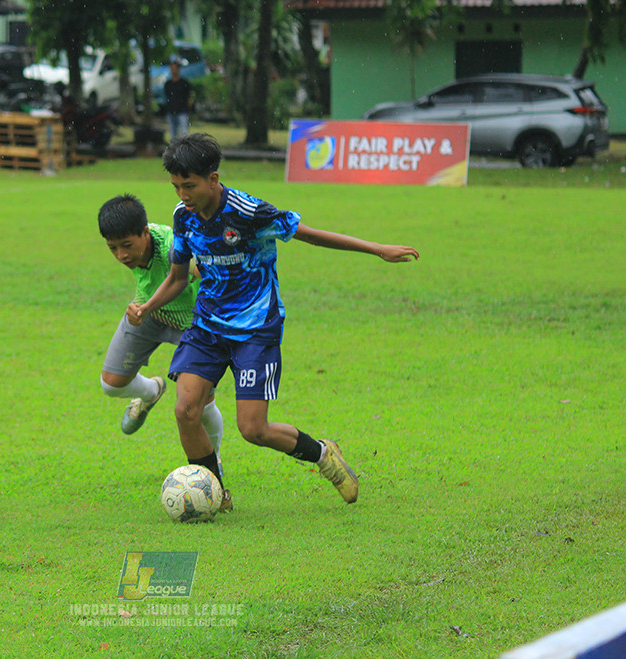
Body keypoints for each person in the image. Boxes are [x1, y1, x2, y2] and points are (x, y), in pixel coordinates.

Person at [128, 133, 420, 506]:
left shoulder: (248, 212)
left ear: (213, 179)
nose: (182, 194)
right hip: (207, 327)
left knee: (253, 429)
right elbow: (178, 278)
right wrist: (146, 306)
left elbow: (310, 236)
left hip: (255, 329)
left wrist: (377, 249)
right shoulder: (183, 217)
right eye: (176, 186)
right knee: (186, 410)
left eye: (190, 185)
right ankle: (215, 493)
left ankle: (324, 455)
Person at [98, 194, 231, 510]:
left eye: (127, 245)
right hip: (149, 313)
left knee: (200, 403)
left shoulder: (174, 244)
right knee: (111, 383)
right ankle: (150, 391)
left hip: (195, 325)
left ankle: (211, 466)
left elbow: (200, 265)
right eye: (112, 248)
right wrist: (140, 309)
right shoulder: (132, 250)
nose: (121, 255)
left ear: (145, 232)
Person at [163, 60, 192, 140]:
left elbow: (188, 97)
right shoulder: (168, 84)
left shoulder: (184, 83)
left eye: (175, 68)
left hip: (182, 111)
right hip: (171, 111)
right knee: (173, 134)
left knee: (184, 133)